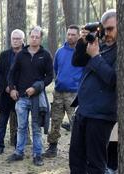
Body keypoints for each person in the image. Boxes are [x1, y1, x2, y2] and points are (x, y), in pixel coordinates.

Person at [53, 10, 117, 174]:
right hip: (84, 108)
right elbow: (77, 61)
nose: (106, 33)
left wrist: (96, 57)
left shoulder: (123, 51)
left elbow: (113, 80)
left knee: (95, 159)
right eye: (104, 28)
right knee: (76, 155)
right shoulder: (101, 45)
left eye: (110, 29)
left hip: (102, 113)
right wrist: (82, 41)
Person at [7, 26, 54, 167]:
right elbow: (12, 74)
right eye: (32, 36)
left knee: (36, 128)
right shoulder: (21, 54)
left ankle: (37, 154)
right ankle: (19, 152)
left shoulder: (45, 55)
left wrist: (37, 87)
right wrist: (12, 89)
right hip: (21, 97)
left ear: (40, 38)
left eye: (37, 37)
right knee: (21, 127)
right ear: (28, 37)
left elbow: (50, 76)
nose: (34, 39)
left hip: (37, 98)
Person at [43, 25, 83, 157]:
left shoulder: (82, 52)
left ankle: (79, 151)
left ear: (78, 36)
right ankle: (52, 147)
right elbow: (55, 68)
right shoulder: (60, 52)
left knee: (76, 123)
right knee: (55, 121)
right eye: (69, 34)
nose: (70, 36)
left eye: (73, 34)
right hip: (59, 92)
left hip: (74, 94)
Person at [0, 29, 24, 155]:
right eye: (13, 39)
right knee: (2, 122)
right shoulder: (5, 55)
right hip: (5, 94)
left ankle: (18, 147)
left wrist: (17, 90)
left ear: (23, 40)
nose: (15, 41)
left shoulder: (26, 55)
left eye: (18, 39)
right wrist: (6, 87)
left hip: (20, 95)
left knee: (20, 123)